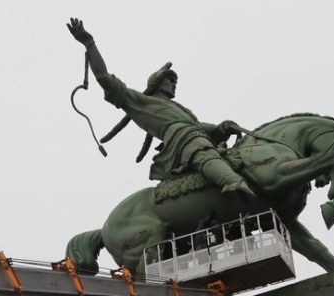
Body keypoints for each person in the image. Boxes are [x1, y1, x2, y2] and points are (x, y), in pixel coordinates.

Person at [67, 17, 252, 196]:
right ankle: (231, 182)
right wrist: (89, 43)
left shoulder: (182, 110)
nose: (174, 84)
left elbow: (199, 127)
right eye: (170, 80)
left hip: (199, 137)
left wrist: (222, 128)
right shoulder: (142, 103)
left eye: (174, 81)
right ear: (157, 82)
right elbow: (104, 78)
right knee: (201, 150)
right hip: (184, 143)